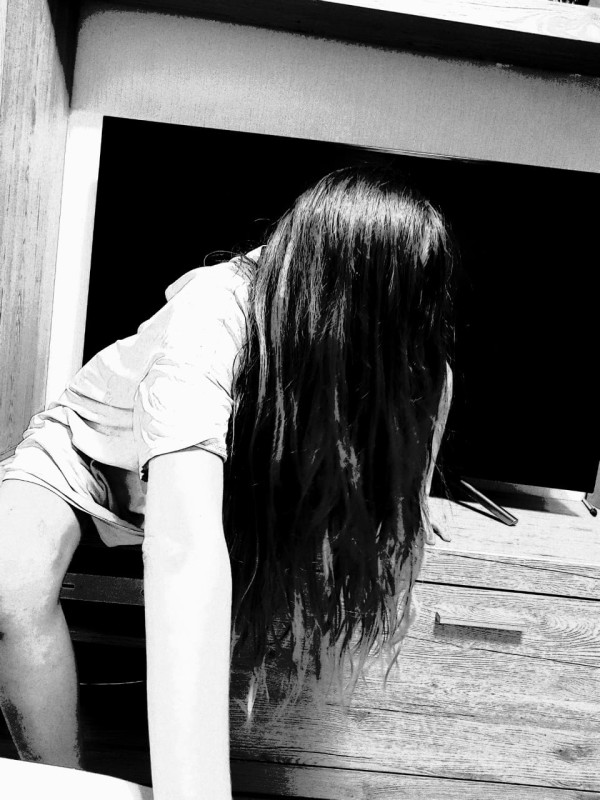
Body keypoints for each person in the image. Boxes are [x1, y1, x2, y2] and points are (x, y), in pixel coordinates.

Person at [0, 164, 456, 800]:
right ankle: (63, 782)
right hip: (90, 460)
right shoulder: (217, 309)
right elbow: (184, 551)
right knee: (10, 585)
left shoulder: (423, 369)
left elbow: (403, 483)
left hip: (240, 487)